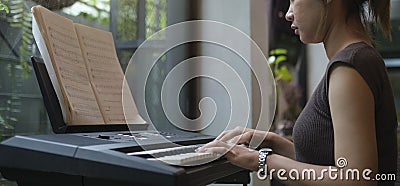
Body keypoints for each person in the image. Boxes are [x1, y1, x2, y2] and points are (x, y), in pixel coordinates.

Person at [197, 0, 398, 185]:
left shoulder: (350, 68)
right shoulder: (354, 61)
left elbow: (355, 178)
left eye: (294, 0)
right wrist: (274, 142)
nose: (288, 13)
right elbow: (324, 162)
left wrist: (262, 161)